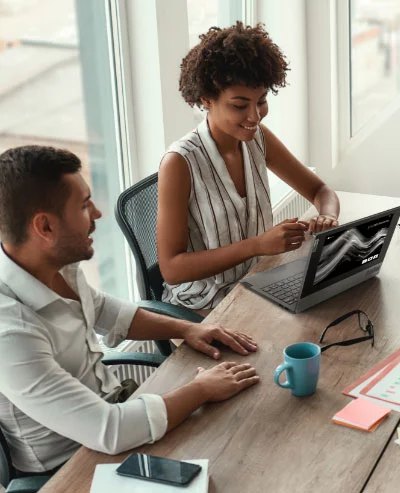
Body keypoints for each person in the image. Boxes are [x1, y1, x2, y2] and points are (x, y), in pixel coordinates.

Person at [0, 146, 259, 475]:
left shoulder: (55, 265)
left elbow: (108, 310)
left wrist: (187, 329)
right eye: (83, 205)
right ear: (45, 228)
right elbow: (110, 431)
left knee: (242, 437)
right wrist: (202, 389)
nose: (97, 213)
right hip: (71, 466)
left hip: (115, 410)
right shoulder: (10, 335)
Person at [158, 22, 340, 311]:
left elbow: (320, 190)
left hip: (259, 282)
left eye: (262, 101)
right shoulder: (180, 163)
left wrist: (327, 217)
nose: (255, 117)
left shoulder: (258, 139)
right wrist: (257, 245)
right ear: (206, 99)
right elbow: (172, 269)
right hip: (205, 304)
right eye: (239, 105)